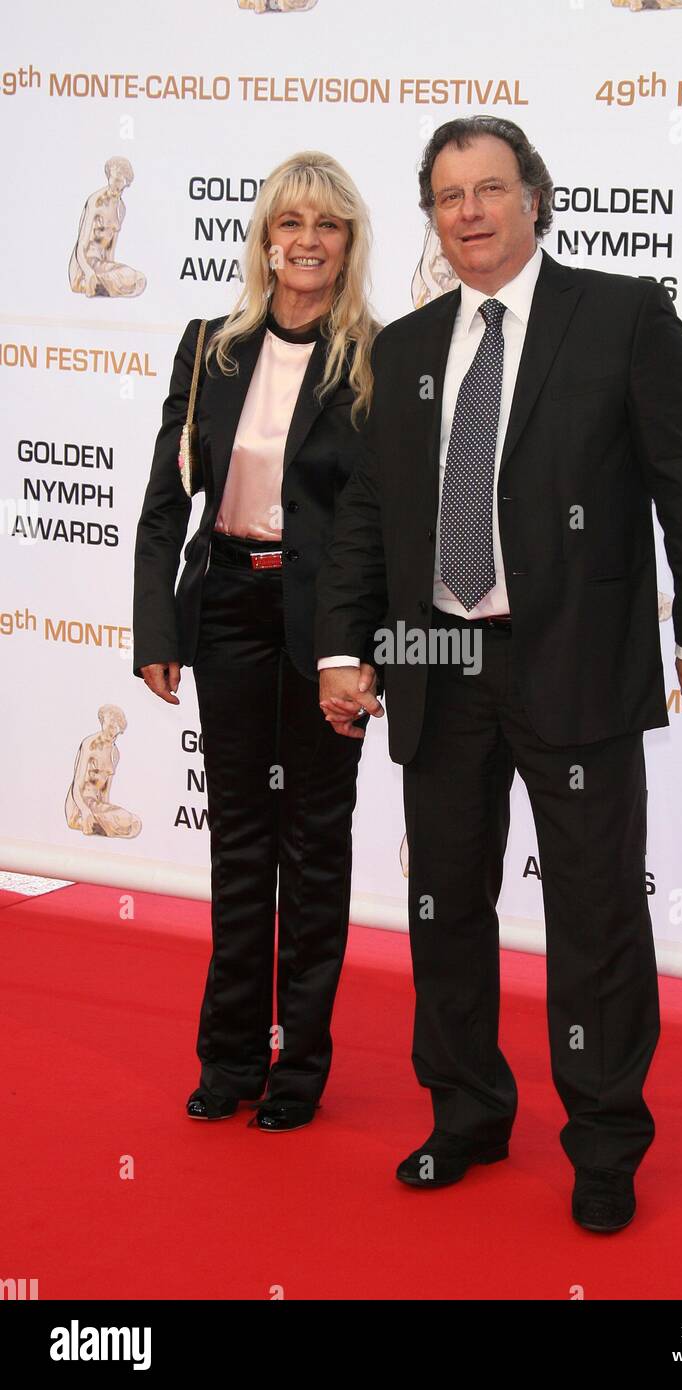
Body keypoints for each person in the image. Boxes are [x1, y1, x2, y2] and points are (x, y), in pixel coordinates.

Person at [315, 116, 682, 1230]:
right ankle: (463, 1112)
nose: (468, 212)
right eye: (448, 195)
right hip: (436, 662)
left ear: (532, 197)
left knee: (596, 915)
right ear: (432, 216)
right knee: (443, 903)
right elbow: (369, 513)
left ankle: (603, 1143)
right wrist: (342, 644)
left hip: (577, 665)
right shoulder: (403, 348)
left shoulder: (621, 315)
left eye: (489, 188)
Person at [133, 151, 380, 1132]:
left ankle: (299, 1070)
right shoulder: (209, 347)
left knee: (314, 848)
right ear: (265, 239)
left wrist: (366, 653)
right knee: (238, 843)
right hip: (229, 607)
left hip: (325, 631)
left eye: (326, 224)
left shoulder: (376, 359)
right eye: (290, 222)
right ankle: (229, 1057)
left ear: (348, 241)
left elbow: (388, 524)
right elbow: (164, 504)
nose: (306, 240)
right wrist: (159, 626)